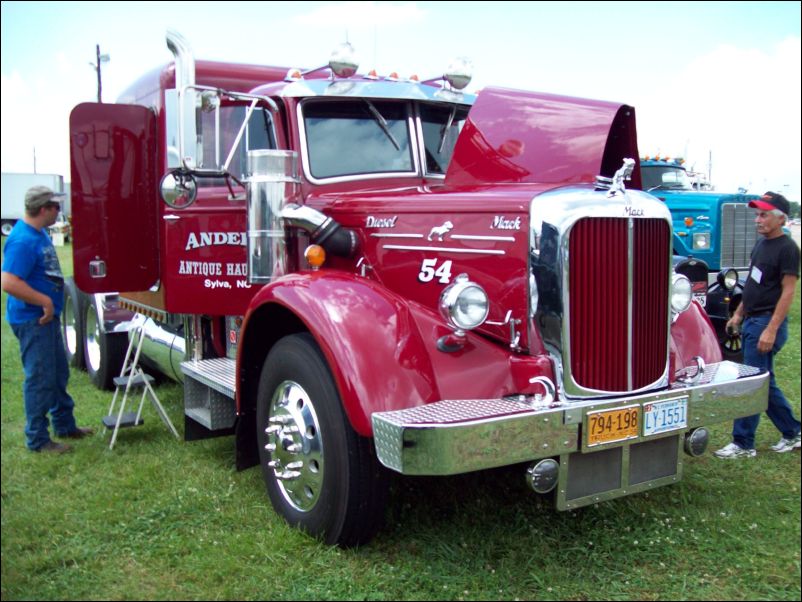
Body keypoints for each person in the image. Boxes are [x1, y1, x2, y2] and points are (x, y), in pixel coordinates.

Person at [1, 186, 94, 454]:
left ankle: (64, 425)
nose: (59, 211)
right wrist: (43, 301)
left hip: (46, 319)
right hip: (34, 320)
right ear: (44, 209)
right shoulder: (22, 241)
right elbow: (8, 281)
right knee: (40, 378)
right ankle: (38, 439)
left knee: (57, 373)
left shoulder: (38, 232)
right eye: (56, 207)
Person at [714, 191, 801, 458]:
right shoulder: (760, 245)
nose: (757, 219)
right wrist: (738, 314)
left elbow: (787, 292)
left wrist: (771, 329)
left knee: (752, 382)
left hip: (765, 323)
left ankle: (743, 444)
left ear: (780, 219)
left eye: (763, 215)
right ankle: (793, 432)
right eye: (757, 214)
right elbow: (752, 285)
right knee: (764, 381)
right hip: (752, 320)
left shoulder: (788, 249)